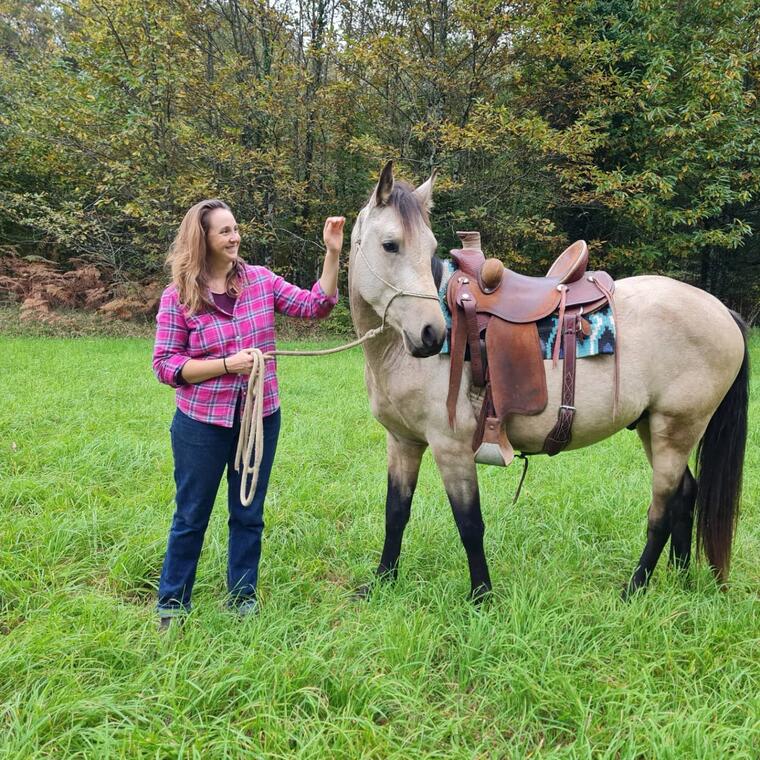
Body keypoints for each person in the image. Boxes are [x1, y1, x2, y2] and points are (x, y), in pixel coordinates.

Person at [152, 199, 343, 627]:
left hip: (259, 418)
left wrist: (332, 252)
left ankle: (242, 599)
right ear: (202, 239)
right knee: (190, 514)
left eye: (235, 228)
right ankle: (172, 603)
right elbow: (165, 365)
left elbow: (316, 305)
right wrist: (226, 365)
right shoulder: (179, 296)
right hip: (201, 423)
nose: (235, 236)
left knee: (248, 513)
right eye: (224, 231)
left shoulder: (260, 281)